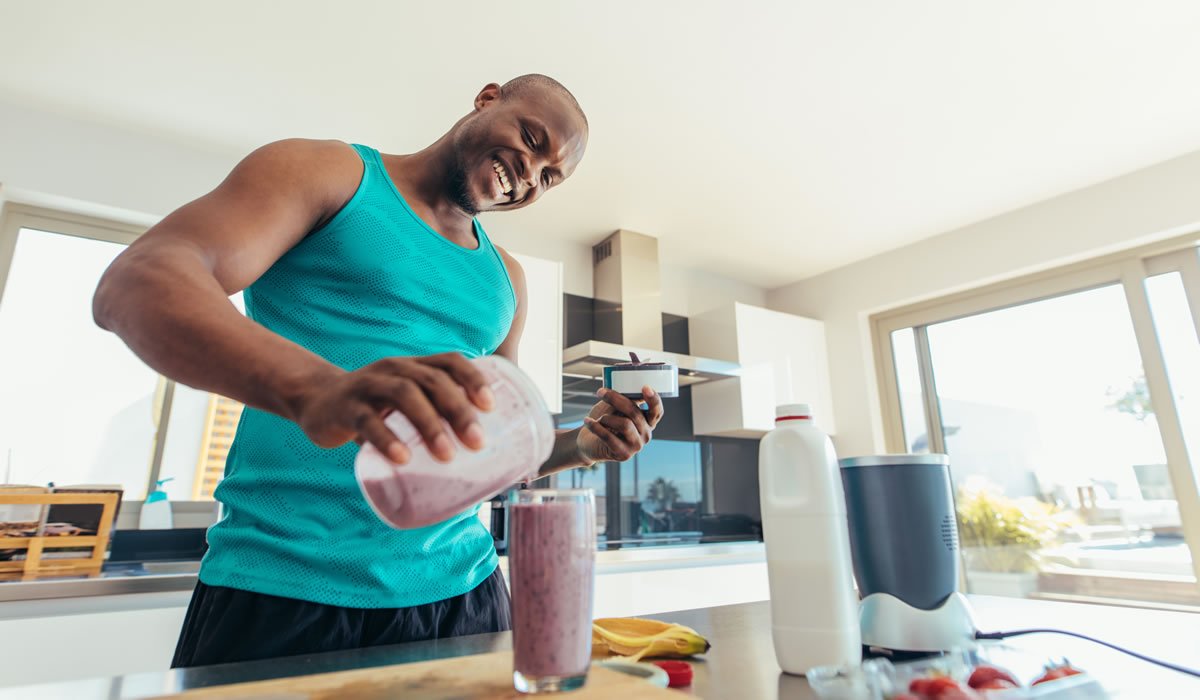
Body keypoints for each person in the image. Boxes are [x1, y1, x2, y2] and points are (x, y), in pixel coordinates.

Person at [93, 74, 664, 667]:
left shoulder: (507, 280)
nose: (530, 173)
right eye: (530, 137)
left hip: (463, 595)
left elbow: (488, 453)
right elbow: (139, 283)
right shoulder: (329, 174)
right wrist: (320, 390)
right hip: (283, 586)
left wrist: (583, 445)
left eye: (549, 176)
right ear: (488, 97)